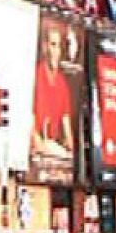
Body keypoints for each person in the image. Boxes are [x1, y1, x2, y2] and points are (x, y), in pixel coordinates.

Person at [32, 19, 77, 163]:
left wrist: (73, 154)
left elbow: (66, 124)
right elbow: (28, 120)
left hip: (53, 148)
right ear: (45, 47)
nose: (55, 52)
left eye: (58, 46)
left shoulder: (62, 83)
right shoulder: (35, 76)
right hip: (36, 149)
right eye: (52, 45)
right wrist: (41, 146)